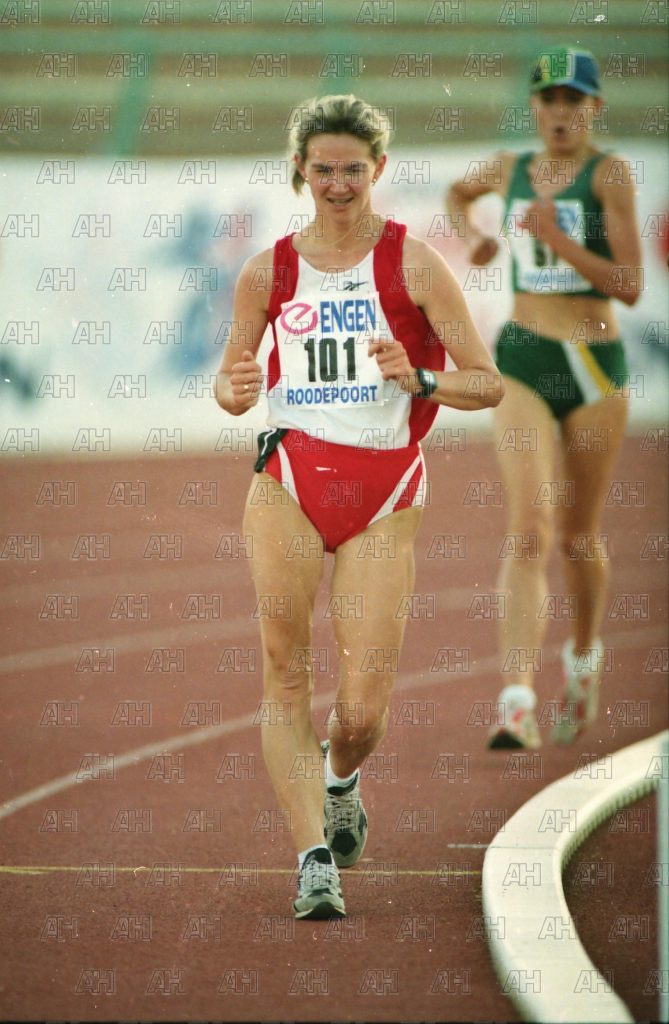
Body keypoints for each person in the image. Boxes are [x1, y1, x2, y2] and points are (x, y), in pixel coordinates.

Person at [215, 94, 502, 919]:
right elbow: (231, 385)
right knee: (284, 670)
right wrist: (234, 388)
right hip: (290, 478)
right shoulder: (266, 271)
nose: (337, 184)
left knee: (361, 710)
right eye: (322, 169)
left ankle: (340, 779)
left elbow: (485, 383)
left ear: (377, 168)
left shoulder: (414, 264)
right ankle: (312, 859)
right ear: (298, 170)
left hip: (384, 490)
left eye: (351, 169)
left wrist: (419, 378)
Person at [446, 47, 642, 750]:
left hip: (591, 366)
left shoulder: (609, 174)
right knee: (528, 527)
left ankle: (583, 659)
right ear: (533, 106)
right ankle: (516, 702)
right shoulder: (510, 168)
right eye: (549, 99)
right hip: (525, 359)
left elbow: (629, 285)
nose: (560, 112)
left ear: (595, 107)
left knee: (576, 535)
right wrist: (473, 238)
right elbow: (457, 194)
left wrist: (557, 237)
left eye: (573, 100)